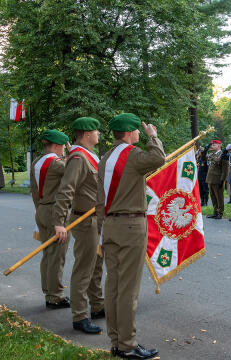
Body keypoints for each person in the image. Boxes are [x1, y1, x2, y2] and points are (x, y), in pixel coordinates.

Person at [96, 113, 164, 359]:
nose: (139, 133)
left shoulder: (105, 158)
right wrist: (153, 135)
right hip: (131, 226)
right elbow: (158, 158)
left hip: (110, 225)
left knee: (113, 286)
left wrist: (101, 230)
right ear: (129, 132)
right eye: (137, 130)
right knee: (128, 289)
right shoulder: (132, 155)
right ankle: (127, 345)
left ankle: (116, 341)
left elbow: (100, 199)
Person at [52, 117, 104, 334]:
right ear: (86, 134)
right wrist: (58, 222)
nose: (99, 134)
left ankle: (98, 305)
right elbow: (66, 190)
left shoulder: (91, 156)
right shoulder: (78, 157)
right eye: (96, 131)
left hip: (97, 218)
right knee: (84, 267)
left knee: (96, 265)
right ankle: (80, 316)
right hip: (85, 219)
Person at [31, 130, 71, 310]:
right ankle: (55, 296)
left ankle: (49, 290)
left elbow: (33, 190)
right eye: (63, 146)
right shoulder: (56, 164)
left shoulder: (36, 162)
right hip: (55, 210)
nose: (64, 149)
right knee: (57, 254)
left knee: (48, 252)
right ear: (56, 145)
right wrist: (75, 153)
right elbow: (76, 169)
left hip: (41, 208)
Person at [202, 140, 228, 219]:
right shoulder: (211, 155)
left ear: (219, 146)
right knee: (213, 196)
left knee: (219, 197)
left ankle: (220, 212)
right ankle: (215, 211)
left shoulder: (222, 154)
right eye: (212, 145)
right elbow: (203, 159)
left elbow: (225, 169)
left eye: (214, 145)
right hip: (210, 179)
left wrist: (222, 179)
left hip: (218, 179)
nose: (212, 146)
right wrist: (204, 151)